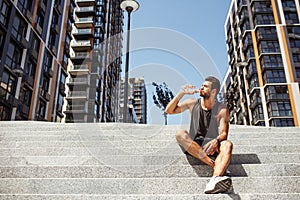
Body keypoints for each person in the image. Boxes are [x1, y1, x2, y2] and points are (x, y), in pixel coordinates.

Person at [165, 76, 233, 194]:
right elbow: (169, 110)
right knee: (180, 133)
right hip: (194, 145)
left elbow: (224, 133)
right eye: (202, 85)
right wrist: (181, 93)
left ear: (213, 91)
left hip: (213, 145)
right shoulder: (192, 103)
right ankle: (213, 164)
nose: (201, 87)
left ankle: (215, 179)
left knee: (227, 144)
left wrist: (216, 141)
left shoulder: (222, 109)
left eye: (205, 86)